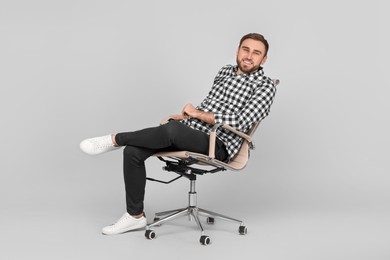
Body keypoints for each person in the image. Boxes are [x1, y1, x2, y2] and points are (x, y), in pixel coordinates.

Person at [80, 33, 277, 235]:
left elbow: (241, 122)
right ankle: (134, 216)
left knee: (172, 131)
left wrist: (195, 114)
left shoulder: (265, 85)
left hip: (218, 143)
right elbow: (209, 105)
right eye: (245, 49)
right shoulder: (225, 71)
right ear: (238, 50)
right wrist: (186, 116)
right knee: (133, 151)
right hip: (192, 132)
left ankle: (114, 139)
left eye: (256, 53)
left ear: (264, 59)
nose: (249, 56)